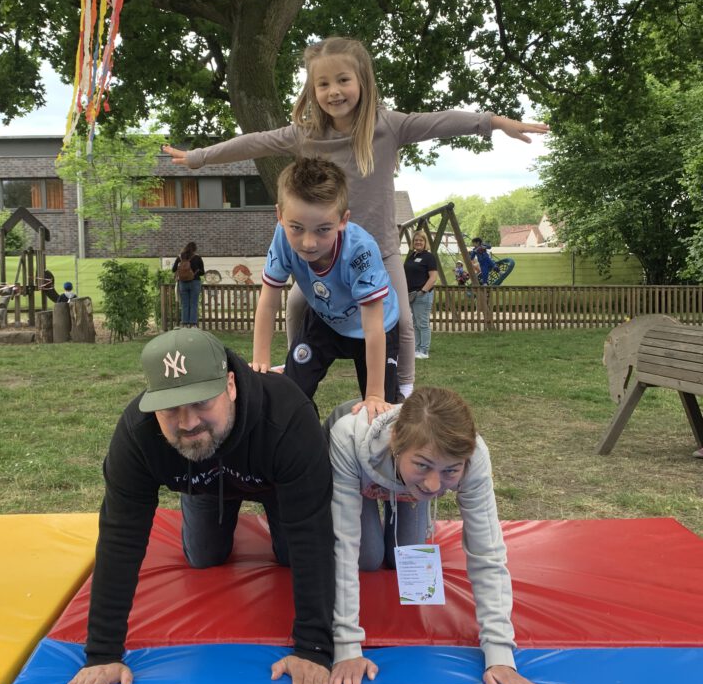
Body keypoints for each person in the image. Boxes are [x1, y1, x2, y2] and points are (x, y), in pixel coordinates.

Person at [162, 36, 548, 398]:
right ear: (312, 90)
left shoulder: (388, 126)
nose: (334, 91)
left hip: (378, 250)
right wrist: (199, 157)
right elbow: (255, 142)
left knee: (402, 320)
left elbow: (441, 122)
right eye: (323, 84)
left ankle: (403, 391)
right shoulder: (305, 134)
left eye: (343, 80)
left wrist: (493, 122)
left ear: (362, 80)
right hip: (323, 250)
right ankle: (297, 366)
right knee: (296, 304)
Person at [60, 327, 336, 684]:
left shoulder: (288, 416)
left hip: (273, 481)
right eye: (170, 408)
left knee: (291, 555)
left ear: (230, 386)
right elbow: (121, 537)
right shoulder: (138, 436)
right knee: (204, 556)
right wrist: (103, 653)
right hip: (202, 482)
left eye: (202, 402)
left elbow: (313, 533)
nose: (188, 422)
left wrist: (314, 648)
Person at [325, 387, 562, 684]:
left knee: (404, 553)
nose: (435, 485)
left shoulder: (474, 456)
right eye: (423, 465)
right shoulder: (348, 437)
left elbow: (487, 551)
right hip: (360, 468)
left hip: (401, 476)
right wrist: (347, 646)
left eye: (451, 471)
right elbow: (344, 544)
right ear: (396, 441)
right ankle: (398, 486)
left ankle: (410, 485)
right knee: (368, 558)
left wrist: (500, 655)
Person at [252, 156, 399, 419]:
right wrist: (260, 360)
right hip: (325, 321)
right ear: (280, 216)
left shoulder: (361, 250)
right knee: (288, 396)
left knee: (381, 412)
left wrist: (375, 395)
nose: (308, 243)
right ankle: (308, 437)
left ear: (343, 220)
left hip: (376, 328)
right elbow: (268, 301)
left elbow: (373, 327)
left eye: (322, 230)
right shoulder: (282, 237)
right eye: (297, 228)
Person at [404, 230, 438, 359]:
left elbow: (433, 277)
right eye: (416, 240)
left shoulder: (429, 257)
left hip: (422, 294)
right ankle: (416, 349)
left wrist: (423, 291)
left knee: (422, 323)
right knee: (414, 324)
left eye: (421, 240)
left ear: (425, 242)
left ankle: (424, 351)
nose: (418, 242)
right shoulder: (411, 256)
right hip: (410, 295)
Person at [172, 241, 205, 327]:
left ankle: (184, 323)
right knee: (194, 304)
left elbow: (173, 269)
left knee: (184, 304)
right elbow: (202, 272)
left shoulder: (180, 257)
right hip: (195, 282)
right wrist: (195, 272)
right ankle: (193, 324)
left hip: (183, 283)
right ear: (195, 249)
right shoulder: (197, 258)